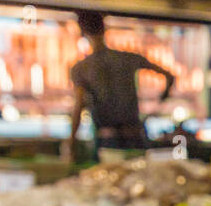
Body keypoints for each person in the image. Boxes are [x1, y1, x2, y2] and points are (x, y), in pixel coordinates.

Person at [63, 11, 175, 162]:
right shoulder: (127, 58)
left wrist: (71, 141)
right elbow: (169, 75)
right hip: (135, 136)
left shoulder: (81, 68)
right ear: (104, 28)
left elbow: (79, 105)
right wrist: (161, 100)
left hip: (107, 140)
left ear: (82, 31)